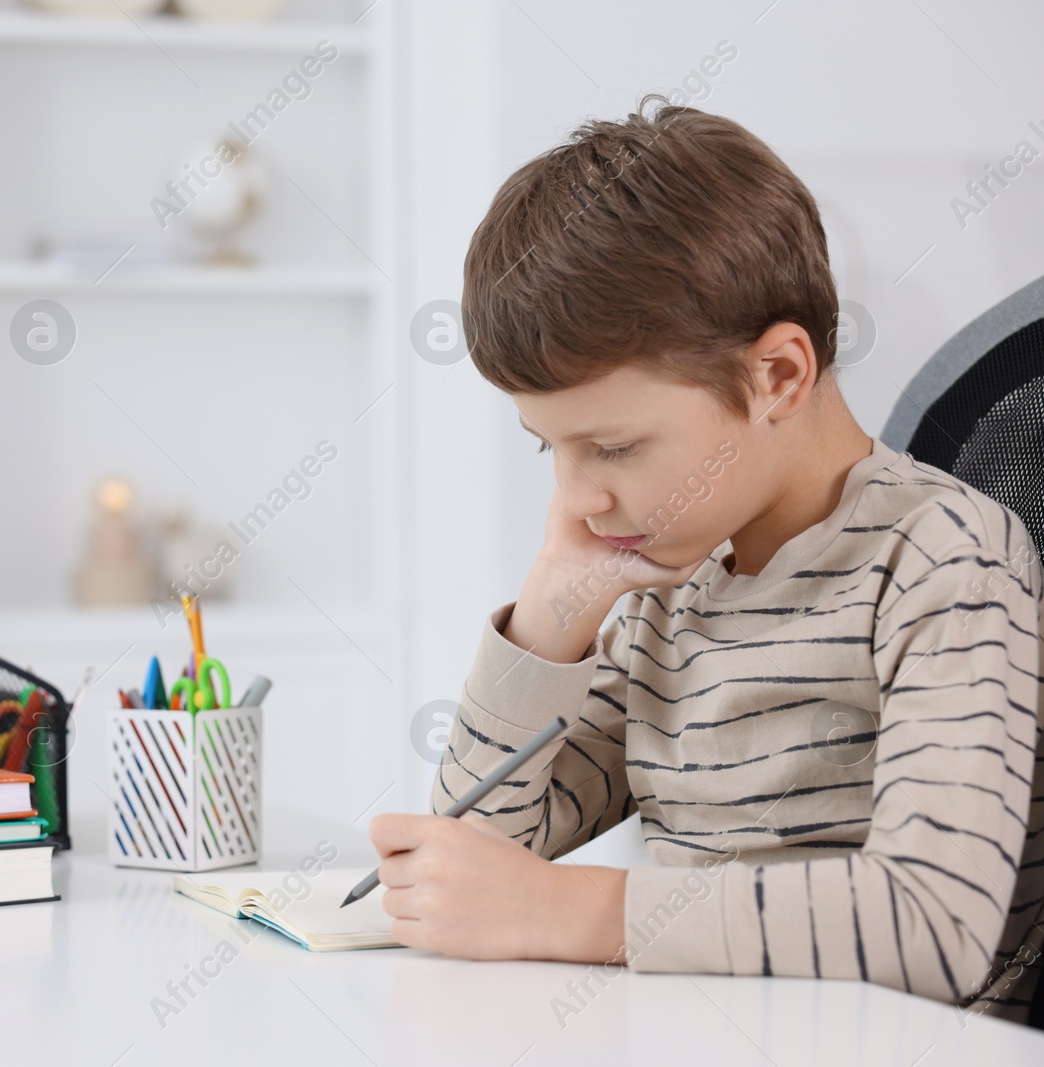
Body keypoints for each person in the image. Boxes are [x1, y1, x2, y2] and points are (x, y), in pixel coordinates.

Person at [368, 94, 1044, 1025]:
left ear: (778, 376)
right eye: (548, 448)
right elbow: (477, 852)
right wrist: (550, 617)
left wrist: (568, 910)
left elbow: (932, 923)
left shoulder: (944, 561)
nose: (576, 498)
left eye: (611, 448)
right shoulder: (668, 585)